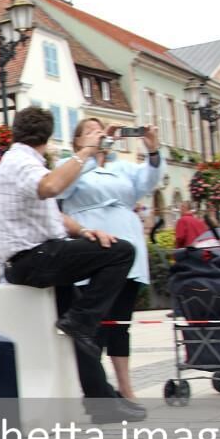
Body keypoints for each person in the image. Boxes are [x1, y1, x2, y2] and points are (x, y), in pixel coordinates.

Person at [0, 106, 140, 423]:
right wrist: (86, 151)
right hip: (36, 257)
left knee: (79, 337)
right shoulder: (23, 162)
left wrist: (84, 231)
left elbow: (53, 214)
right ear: (48, 136)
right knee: (122, 252)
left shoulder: (17, 162)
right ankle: (82, 321)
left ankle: (103, 405)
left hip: (34, 257)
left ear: (17, 131)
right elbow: (51, 188)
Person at [58, 119, 164, 402]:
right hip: (94, 249)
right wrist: (90, 153)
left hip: (128, 248)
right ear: (77, 141)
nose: (98, 133)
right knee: (92, 323)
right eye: (90, 131)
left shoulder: (121, 168)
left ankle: (126, 389)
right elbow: (62, 189)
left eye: (100, 130)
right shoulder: (72, 165)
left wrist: (153, 151)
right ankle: (96, 389)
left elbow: (148, 182)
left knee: (120, 323)